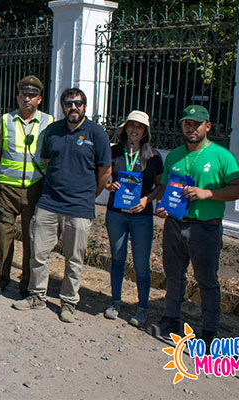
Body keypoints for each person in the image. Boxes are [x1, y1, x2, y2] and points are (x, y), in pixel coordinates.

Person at [13, 88, 111, 324]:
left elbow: (104, 172)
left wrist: (88, 196)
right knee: (38, 253)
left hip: (79, 208)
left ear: (84, 106)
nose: (73, 108)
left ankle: (68, 301)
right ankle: (37, 295)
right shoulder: (53, 131)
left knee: (74, 259)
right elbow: (48, 161)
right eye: (68, 103)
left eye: (78, 103)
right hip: (49, 202)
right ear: (62, 106)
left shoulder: (96, 134)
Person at [152, 105, 239, 348]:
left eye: (196, 124)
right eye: (187, 124)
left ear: (208, 126)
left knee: (206, 280)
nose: (191, 128)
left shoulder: (221, 156)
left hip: (204, 228)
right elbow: (164, 188)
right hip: (174, 224)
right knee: (174, 275)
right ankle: (171, 318)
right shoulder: (174, 155)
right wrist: (161, 206)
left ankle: (209, 331)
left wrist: (208, 193)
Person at [0, 75, 53, 298]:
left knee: (30, 237)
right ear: (17, 96)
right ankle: (0, 279)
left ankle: (26, 283)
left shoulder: (49, 122)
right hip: (7, 188)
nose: (27, 98)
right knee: (4, 235)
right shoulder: (5, 120)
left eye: (32, 95)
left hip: (35, 188)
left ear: (40, 99)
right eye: (24, 94)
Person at [102, 110, 163, 327]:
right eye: (131, 126)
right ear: (125, 128)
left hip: (141, 216)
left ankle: (142, 307)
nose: (134, 130)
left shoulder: (153, 156)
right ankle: (115, 302)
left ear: (145, 131)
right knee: (117, 259)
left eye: (139, 127)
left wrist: (147, 200)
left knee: (141, 264)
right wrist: (109, 186)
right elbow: (104, 177)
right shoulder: (114, 152)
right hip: (116, 214)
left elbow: (160, 186)